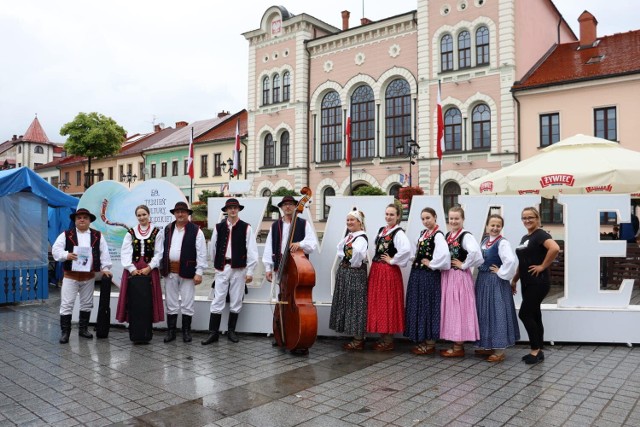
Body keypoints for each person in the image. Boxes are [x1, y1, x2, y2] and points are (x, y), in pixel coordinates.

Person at [52, 208, 112, 344]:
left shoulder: (98, 235)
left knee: (87, 303)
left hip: (88, 276)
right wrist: (66, 255)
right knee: (67, 304)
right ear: (75, 220)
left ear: (90, 220)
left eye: (85, 217)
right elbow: (56, 250)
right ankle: (65, 332)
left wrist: (106, 268)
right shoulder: (66, 234)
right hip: (70, 276)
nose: (82, 220)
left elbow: (104, 253)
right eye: (79, 218)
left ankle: (83, 329)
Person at [202, 198, 258, 345]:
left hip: (239, 269)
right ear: (226, 210)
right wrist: (217, 265)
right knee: (218, 299)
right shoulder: (218, 227)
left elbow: (252, 251)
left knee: (236, 299)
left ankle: (231, 331)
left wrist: (250, 271)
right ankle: (213, 333)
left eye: (235, 208)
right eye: (230, 208)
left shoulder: (247, 228)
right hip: (222, 267)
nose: (233, 210)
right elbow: (212, 249)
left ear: (238, 209)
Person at [512, 206, 560, 364]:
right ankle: (538, 350)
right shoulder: (525, 238)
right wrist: (515, 279)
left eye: (530, 217)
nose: (527, 220)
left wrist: (542, 266)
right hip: (527, 282)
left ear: (537, 218)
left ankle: (535, 349)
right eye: (524, 218)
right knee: (534, 314)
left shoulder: (541, 234)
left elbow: (555, 248)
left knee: (524, 314)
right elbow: (523, 262)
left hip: (539, 282)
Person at [160, 201, 208, 343]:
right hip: (170, 271)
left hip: (187, 270)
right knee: (171, 302)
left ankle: (186, 331)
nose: (180, 214)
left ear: (188, 213)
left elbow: (202, 253)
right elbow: (161, 250)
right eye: (177, 211)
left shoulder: (196, 230)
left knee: (187, 302)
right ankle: (171, 332)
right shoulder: (168, 229)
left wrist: (199, 272)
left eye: (183, 211)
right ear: (174, 214)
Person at [474, 214, 519, 362]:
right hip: (483, 280)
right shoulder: (485, 241)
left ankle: (499, 351)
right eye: (492, 225)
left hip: (495, 282)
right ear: (487, 226)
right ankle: (488, 346)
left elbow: (511, 261)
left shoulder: (502, 243)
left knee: (496, 312)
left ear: (501, 227)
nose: (494, 228)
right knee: (485, 311)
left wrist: (500, 272)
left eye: (498, 225)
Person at [404, 207, 450, 355]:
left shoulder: (438, 235)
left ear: (435, 217)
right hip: (417, 274)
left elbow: (444, 255)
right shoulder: (423, 234)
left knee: (427, 305)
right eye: (423, 218)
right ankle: (423, 339)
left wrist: (432, 264)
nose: (425, 221)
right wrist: (414, 258)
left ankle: (430, 343)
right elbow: (417, 252)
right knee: (419, 304)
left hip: (428, 276)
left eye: (428, 218)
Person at [115, 205, 165, 340]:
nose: (142, 217)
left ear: (149, 215)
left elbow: (159, 253)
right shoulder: (130, 232)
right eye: (139, 215)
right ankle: (135, 329)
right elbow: (125, 253)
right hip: (134, 269)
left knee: (149, 298)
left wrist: (150, 267)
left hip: (149, 269)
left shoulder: (157, 232)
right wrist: (132, 269)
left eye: (144, 214)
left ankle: (147, 329)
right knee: (132, 298)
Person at [366, 202, 411, 351]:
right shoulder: (382, 230)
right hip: (377, 270)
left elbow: (406, 250)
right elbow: (375, 247)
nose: (388, 217)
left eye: (392, 214)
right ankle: (383, 336)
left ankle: (388, 339)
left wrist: (392, 260)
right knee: (379, 302)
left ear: (398, 216)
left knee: (388, 303)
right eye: (387, 214)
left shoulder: (398, 232)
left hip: (388, 272)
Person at [439, 206, 483, 357]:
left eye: (457, 218)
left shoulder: (465, 236)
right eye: (451, 218)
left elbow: (476, 253)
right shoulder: (448, 235)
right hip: (448, 276)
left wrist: (464, 265)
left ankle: (458, 346)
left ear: (463, 219)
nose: (453, 221)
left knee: (459, 308)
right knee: (452, 308)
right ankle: (456, 343)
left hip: (459, 277)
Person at [329, 208, 369, 350]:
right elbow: (340, 248)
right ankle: (355, 336)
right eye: (348, 220)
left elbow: (358, 254)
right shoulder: (351, 236)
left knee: (356, 304)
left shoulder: (361, 237)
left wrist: (351, 263)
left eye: (352, 219)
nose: (349, 222)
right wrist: (346, 260)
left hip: (355, 274)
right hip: (347, 272)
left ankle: (359, 339)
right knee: (348, 302)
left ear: (359, 222)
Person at [263, 195, 317, 283]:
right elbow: (269, 247)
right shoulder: (275, 226)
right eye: (285, 204)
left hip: (298, 268)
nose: (287, 206)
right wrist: (268, 268)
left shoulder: (304, 224)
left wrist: (300, 244)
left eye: (290, 204)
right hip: (280, 267)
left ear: (295, 206)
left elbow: (312, 244)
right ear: (281, 207)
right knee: (280, 294)